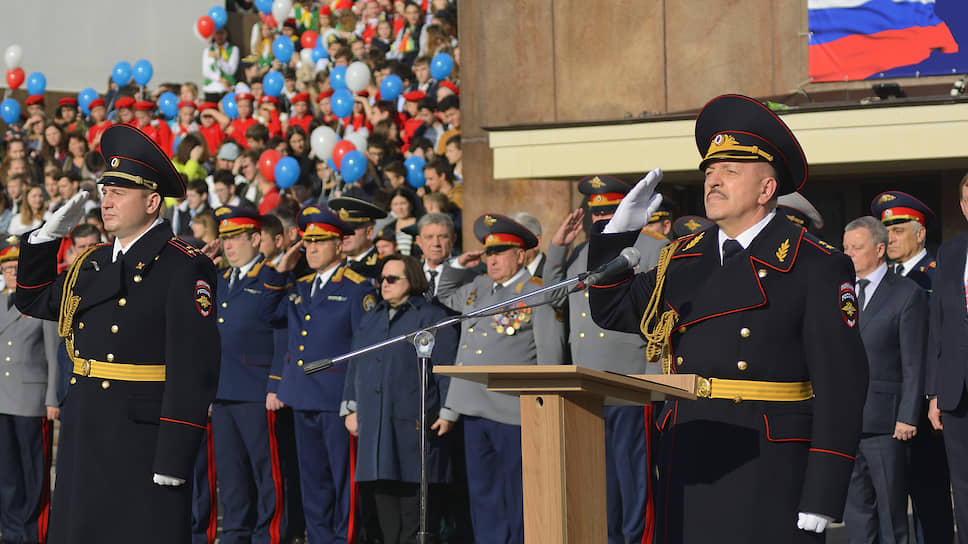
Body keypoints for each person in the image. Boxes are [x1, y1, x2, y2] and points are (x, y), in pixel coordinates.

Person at [586, 94, 868, 543]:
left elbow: (843, 385)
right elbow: (612, 308)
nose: (713, 181)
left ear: (766, 190)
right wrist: (617, 233)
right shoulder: (680, 259)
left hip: (768, 460)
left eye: (730, 172)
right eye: (710, 172)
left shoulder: (814, 263)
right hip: (689, 450)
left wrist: (824, 489)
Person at [14, 123, 221, 544]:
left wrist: (175, 456)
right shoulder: (93, 263)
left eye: (118, 192)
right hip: (87, 429)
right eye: (105, 190)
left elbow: (194, 369)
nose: (106, 201)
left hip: (141, 441)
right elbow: (33, 301)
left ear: (151, 201)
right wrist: (45, 239)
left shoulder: (184, 266)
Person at [546, 174, 669, 544]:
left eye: (608, 212)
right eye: (595, 213)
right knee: (600, 477)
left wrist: (652, 379)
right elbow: (551, 297)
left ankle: (637, 539)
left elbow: (662, 319)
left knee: (633, 477)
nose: (600, 220)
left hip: (628, 381)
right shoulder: (581, 252)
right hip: (587, 381)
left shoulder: (652, 248)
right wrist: (556, 250)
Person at [436, 213, 565, 544]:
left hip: (514, 412)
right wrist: (460, 264)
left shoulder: (536, 292)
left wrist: (546, 408)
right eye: (488, 253)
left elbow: (550, 355)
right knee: (482, 494)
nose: (491, 259)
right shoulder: (478, 287)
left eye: (500, 252)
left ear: (520, 255)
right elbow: (444, 291)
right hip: (473, 407)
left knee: (515, 495)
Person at [260, 205, 377, 544]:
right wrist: (281, 269)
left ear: (339, 245)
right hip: (302, 396)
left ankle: (346, 539)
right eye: (308, 242)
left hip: (336, 398)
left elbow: (363, 351)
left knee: (345, 480)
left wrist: (354, 401)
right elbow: (267, 312)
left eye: (320, 242)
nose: (311, 248)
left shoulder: (358, 289)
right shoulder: (300, 285)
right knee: (313, 481)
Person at [342, 254, 458, 543]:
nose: (384, 284)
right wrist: (350, 406)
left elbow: (446, 369)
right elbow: (355, 363)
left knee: (412, 507)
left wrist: (448, 410)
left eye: (392, 279)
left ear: (412, 281)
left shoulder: (431, 317)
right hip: (376, 425)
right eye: (382, 279)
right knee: (382, 504)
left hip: (413, 424)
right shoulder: (373, 316)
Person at [871, 190, 953, 544]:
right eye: (885, 230)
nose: (890, 238)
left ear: (921, 233)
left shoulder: (940, 276)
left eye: (899, 229)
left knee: (929, 497)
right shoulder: (877, 280)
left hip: (925, 405)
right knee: (885, 502)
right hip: (885, 407)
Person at [842, 216, 926, 544]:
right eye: (845, 247)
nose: (848, 254)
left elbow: (914, 360)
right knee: (855, 510)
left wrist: (907, 415)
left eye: (856, 248)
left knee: (892, 512)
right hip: (845, 420)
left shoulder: (906, 293)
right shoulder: (839, 292)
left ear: (879, 249)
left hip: (886, 422)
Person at [209, 206, 288, 543]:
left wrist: (275, 384)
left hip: (257, 392)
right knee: (231, 475)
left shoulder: (270, 277)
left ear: (256, 239)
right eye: (225, 239)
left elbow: (281, 334)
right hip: (223, 391)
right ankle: (236, 536)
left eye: (236, 238)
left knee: (266, 474)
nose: (228, 246)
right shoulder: (220, 279)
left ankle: (269, 536)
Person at [0, 235, 60, 544]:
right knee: (7, 473)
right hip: (3, 399)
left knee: (34, 473)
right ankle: (10, 532)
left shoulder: (38, 301)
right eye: (7, 267)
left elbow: (53, 354)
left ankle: (34, 533)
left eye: (16, 267)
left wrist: (53, 397)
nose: (12, 272)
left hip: (31, 400)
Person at [328, 196, 389, 279]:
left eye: (351, 230)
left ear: (369, 232)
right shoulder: (331, 265)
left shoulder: (383, 267)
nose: (344, 236)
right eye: (341, 230)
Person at [413, 212, 455, 297]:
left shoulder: (465, 274)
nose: (436, 243)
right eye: (429, 237)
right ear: (419, 241)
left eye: (442, 237)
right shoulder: (411, 274)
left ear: (453, 239)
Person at [203, 27, 240, 102]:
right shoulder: (208, 50)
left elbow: (231, 71)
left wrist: (220, 59)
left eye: (222, 33)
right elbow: (206, 71)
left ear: (227, 34)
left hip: (227, 88)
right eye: (217, 33)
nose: (219, 36)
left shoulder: (234, 49)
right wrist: (220, 79)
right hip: (211, 88)